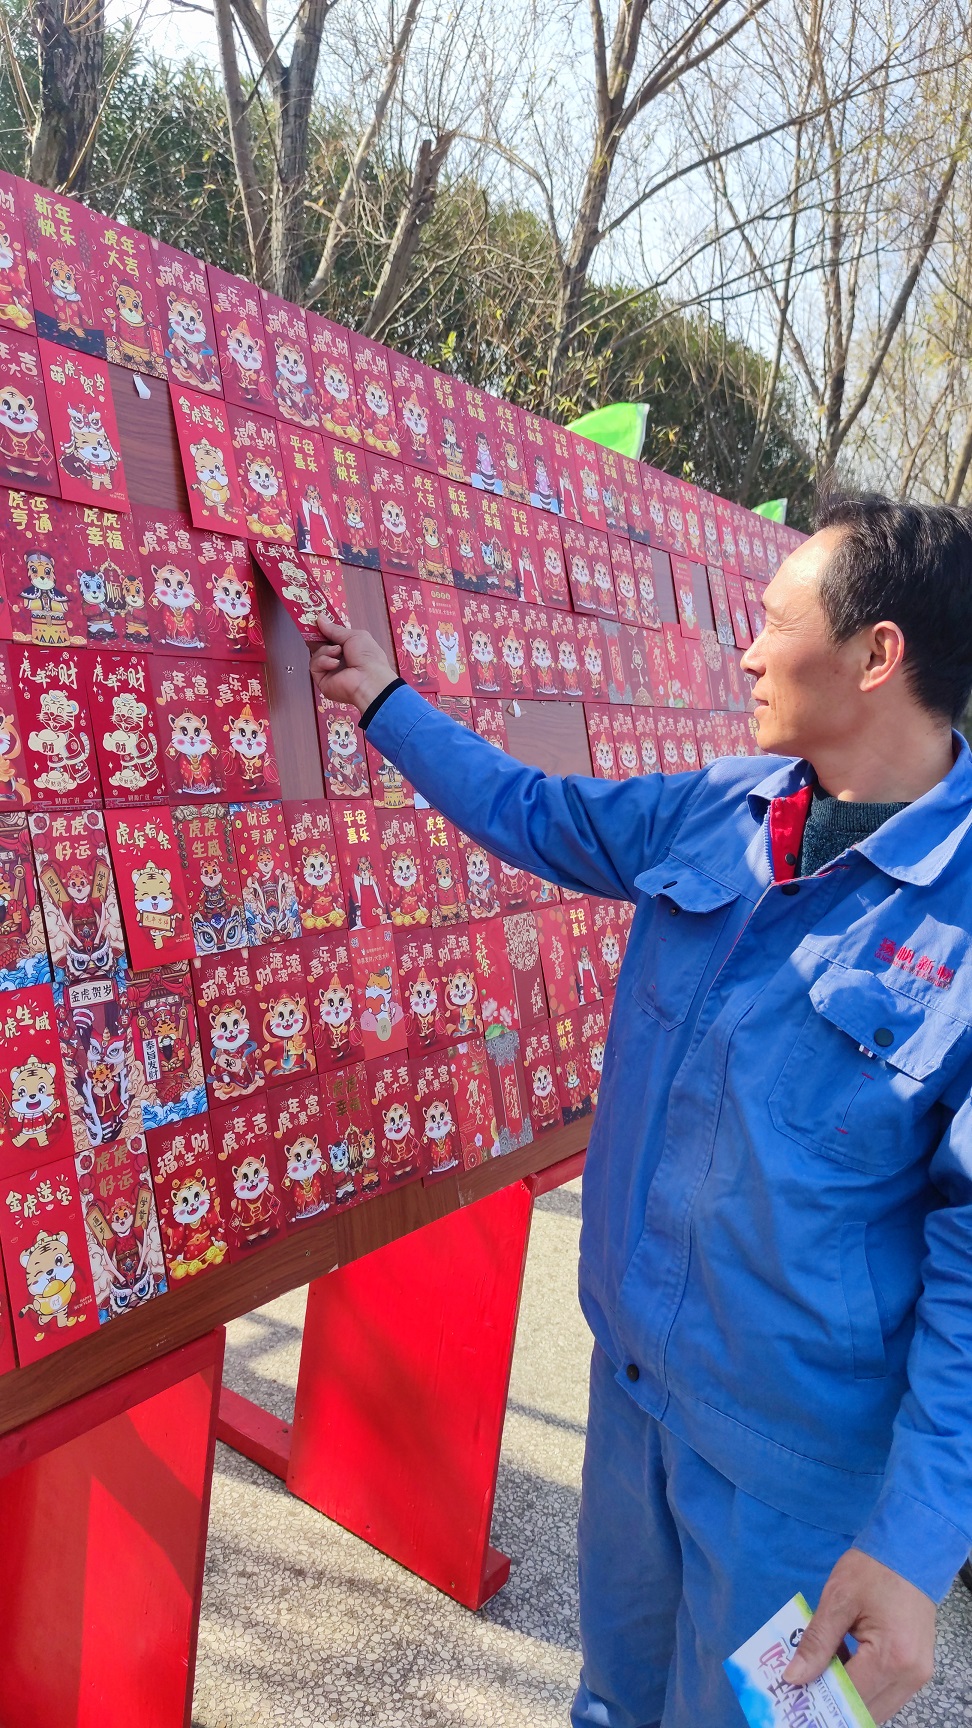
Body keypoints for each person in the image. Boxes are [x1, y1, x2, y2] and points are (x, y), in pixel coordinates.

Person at [309, 492, 972, 1728]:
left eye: (776, 624)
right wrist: (385, 701)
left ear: (877, 655)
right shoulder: (722, 810)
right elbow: (533, 811)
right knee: (613, 1698)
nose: (749, 653)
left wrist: (916, 1544)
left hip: (796, 1481)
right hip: (632, 1392)